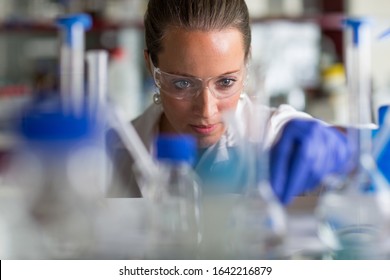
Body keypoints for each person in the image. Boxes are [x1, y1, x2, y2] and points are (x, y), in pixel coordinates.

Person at [108, 0, 350, 205]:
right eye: (182, 83)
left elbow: (378, 154)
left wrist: (347, 150)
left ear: (246, 63)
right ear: (151, 67)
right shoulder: (115, 150)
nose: (206, 109)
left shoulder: (275, 134)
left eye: (225, 82)